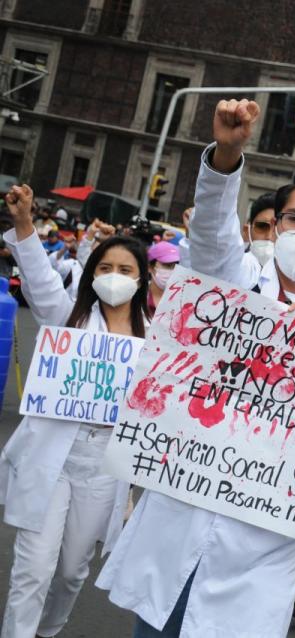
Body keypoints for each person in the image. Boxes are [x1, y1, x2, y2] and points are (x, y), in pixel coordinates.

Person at [96, 98, 295, 638]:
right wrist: (227, 155)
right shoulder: (236, 281)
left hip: (262, 543)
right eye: (294, 218)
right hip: (183, 518)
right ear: (276, 225)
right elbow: (209, 236)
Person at [0, 184, 147, 638]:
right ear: (91, 275)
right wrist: (24, 225)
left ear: (141, 279)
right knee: (33, 569)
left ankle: (48, 630)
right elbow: (41, 283)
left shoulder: (156, 341)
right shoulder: (70, 320)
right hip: (54, 458)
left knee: (69, 573)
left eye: (125, 269)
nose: (114, 275)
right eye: (105, 267)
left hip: (103, 466)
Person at [145, 241, 179, 317]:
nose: (173, 270)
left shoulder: (185, 300)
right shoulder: (136, 297)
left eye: (176, 265)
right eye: (167, 265)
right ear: (149, 267)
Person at [243, 192, 276, 268]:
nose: (269, 236)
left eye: (276, 229)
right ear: (247, 232)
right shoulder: (230, 268)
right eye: (262, 226)